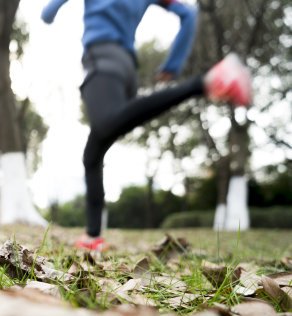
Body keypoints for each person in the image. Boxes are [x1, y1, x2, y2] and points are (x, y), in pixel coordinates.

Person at [41, 0, 251, 251]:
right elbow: (188, 13)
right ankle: (92, 237)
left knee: (106, 123)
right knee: (92, 154)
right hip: (128, 71)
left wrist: (49, 14)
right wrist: (174, 62)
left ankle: (204, 83)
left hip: (101, 59)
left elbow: (47, 11)